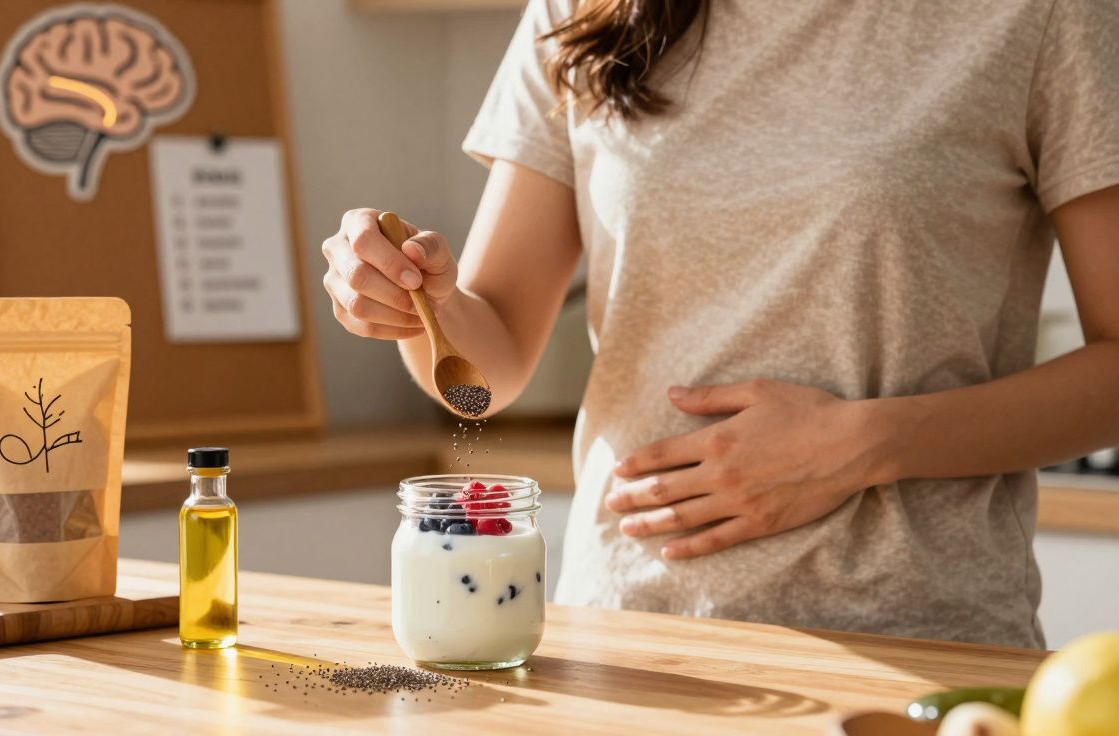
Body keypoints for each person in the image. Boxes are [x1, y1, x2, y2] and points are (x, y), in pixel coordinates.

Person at [320, 0, 1119, 648]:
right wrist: (414, 300)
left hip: (913, 646)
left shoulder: (1040, 15)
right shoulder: (583, 11)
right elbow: (483, 375)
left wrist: (862, 444)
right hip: (624, 638)